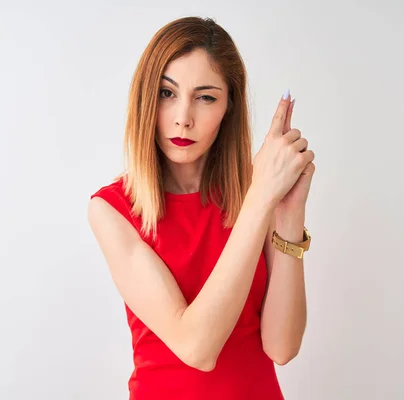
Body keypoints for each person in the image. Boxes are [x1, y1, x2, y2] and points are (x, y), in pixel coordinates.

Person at [88, 16, 316, 400]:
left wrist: (289, 212)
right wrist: (260, 198)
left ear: (229, 107)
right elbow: (196, 348)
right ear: (146, 98)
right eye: (167, 93)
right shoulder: (111, 210)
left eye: (206, 97)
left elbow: (282, 346)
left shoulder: (255, 191)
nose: (183, 118)